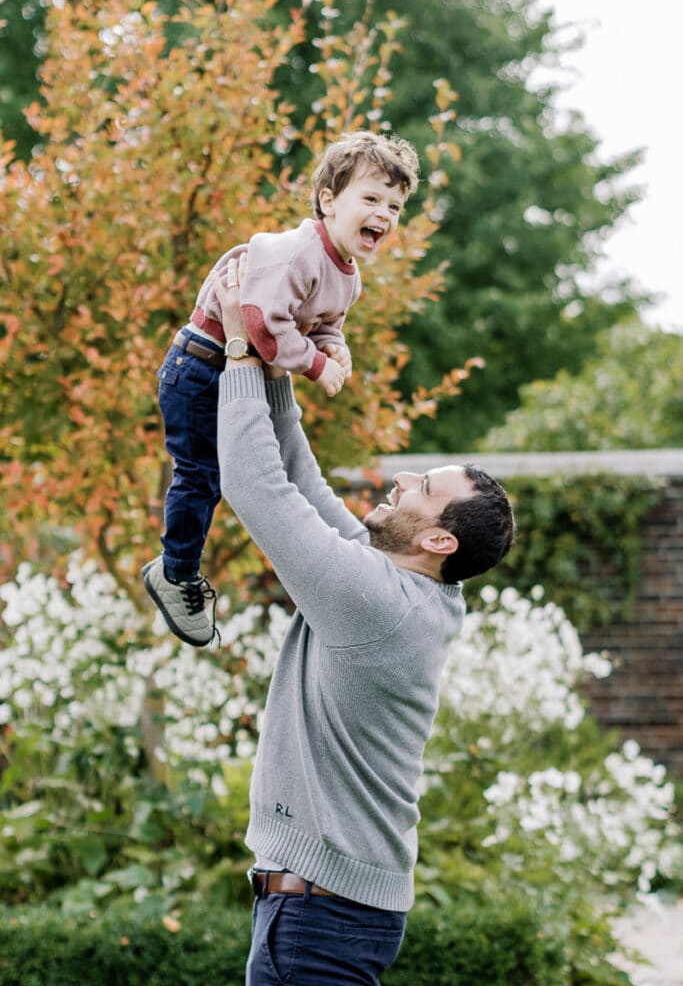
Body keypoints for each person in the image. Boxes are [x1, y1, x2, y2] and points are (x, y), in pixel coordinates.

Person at [216, 254, 516, 985]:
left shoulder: (374, 602)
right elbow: (300, 480)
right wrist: (277, 356)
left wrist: (233, 347)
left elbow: (255, 486)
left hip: (317, 920)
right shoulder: (404, 589)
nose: (401, 478)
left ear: (438, 540)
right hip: (337, 910)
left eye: (423, 487)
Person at [143, 131, 420, 647]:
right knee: (202, 475)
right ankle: (175, 572)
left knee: (241, 472)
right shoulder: (296, 254)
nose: (384, 213)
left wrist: (334, 348)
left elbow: (324, 323)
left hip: (232, 370)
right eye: (371, 198)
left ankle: (179, 565)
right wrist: (315, 366)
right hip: (200, 366)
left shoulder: (349, 276)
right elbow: (261, 325)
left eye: (395, 206)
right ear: (329, 201)